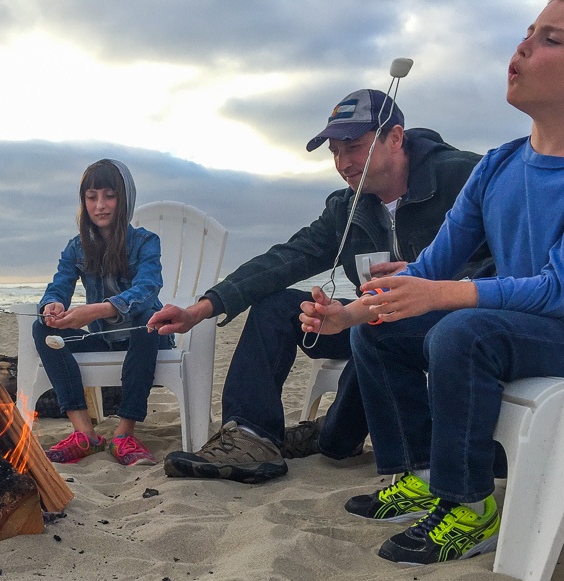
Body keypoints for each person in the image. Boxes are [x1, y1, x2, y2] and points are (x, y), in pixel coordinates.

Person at [299, 0, 564, 565]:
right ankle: (419, 473)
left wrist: (442, 297)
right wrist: (353, 314)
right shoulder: (497, 166)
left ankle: (469, 507)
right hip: (507, 328)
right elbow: (430, 268)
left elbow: (560, 290)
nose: (523, 48)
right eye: (527, 33)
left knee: (460, 332)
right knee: (383, 331)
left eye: (551, 40)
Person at [150, 90, 491, 483]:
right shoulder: (348, 208)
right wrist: (201, 308)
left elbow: (521, 259)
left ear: (395, 138)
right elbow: (285, 259)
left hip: (454, 325)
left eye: (354, 147)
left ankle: (332, 440)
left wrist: (433, 281)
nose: (343, 164)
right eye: (334, 152)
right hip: (375, 319)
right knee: (278, 306)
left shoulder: (463, 177)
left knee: (373, 338)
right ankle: (250, 435)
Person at [34, 158, 172, 467]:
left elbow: (149, 288)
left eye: (109, 195)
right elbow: (59, 285)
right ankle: (86, 434)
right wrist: (52, 306)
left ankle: (124, 434)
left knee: (147, 316)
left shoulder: (145, 242)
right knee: (42, 328)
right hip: (105, 339)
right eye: (91, 196)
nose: (100, 205)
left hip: (146, 339)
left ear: (124, 199)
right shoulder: (76, 248)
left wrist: (98, 310)